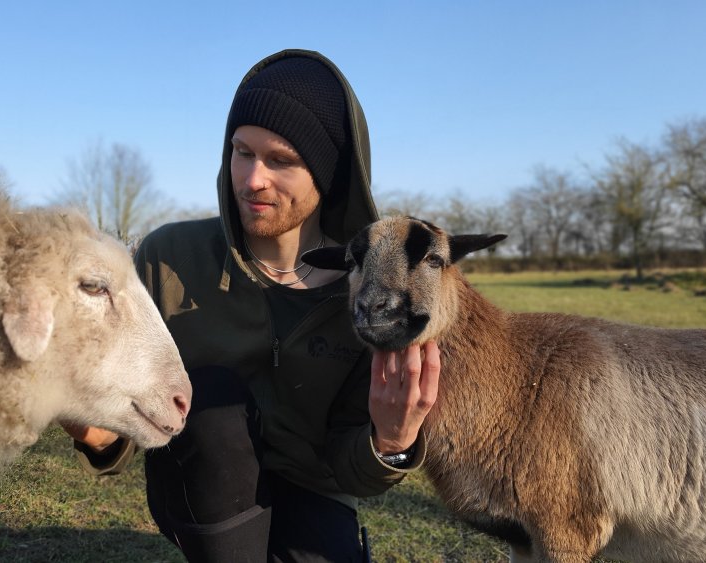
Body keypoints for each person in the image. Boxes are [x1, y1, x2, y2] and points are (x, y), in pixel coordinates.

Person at [65, 48, 440, 562]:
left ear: (328, 175)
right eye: (242, 152)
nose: (252, 178)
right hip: (203, 483)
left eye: (281, 160)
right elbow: (121, 438)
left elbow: (354, 470)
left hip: (314, 489)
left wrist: (392, 440)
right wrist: (85, 423)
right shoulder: (167, 258)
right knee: (213, 399)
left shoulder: (374, 295)